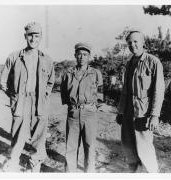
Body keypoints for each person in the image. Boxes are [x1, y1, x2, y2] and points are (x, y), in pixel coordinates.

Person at [0, 22, 55, 172]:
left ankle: (35, 164)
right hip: (21, 102)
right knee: (18, 135)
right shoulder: (15, 56)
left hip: (38, 102)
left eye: (36, 35)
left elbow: (51, 82)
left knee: (38, 136)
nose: (33, 38)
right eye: (30, 35)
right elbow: (3, 82)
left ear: (41, 37)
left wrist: (43, 97)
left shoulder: (47, 60)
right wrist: (14, 98)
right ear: (25, 36)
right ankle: (12, 162)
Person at [116, 31, 165, 173]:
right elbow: (125, 91)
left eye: (136, 41)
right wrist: (120, 111)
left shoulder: (153, 62)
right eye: (130, 43)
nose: (133, 45)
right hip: (127, 114)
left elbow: (158, 90)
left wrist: (155, 115)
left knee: (146, 152)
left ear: (143, 42)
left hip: (143, 115)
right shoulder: (129, 63)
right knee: (129, 151)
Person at [61, 42, 107, 172]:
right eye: (79, 54)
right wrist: (71, 106)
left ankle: (89, 173)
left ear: (89, 57)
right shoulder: (68, 74)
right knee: (71, 147)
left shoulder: (95, 73)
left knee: (90, 146)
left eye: (85, 54)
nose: (82, 57)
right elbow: (64, 93)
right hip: (73, 114)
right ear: (75, 55)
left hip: (90, 113)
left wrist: (94, 106)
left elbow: (100, 92)